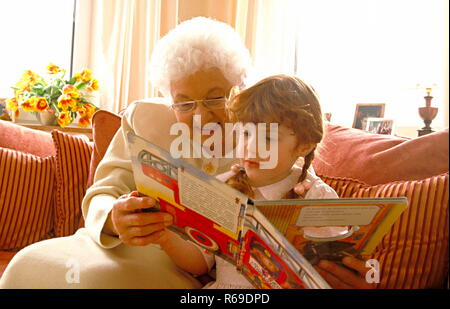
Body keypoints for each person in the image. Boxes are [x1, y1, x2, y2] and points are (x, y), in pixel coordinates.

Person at [0, 17, 312, 289]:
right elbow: (104, 191)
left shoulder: (262, 133)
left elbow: (299, 189)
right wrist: (114, 218)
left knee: (96, 281)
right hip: (110, 244)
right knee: (27, 263)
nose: (199, 115)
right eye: (184, 102)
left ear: (240, 88)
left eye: (215, 98)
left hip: (177, 263)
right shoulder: (144, 117)